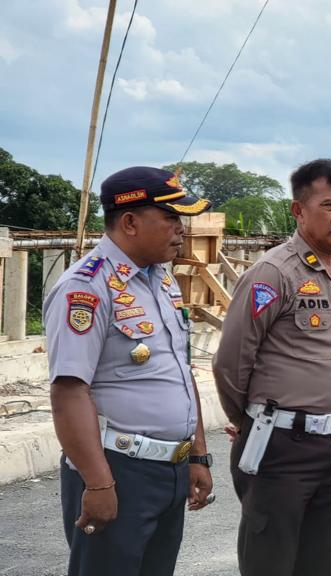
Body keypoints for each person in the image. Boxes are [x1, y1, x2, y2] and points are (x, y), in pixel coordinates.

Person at [44, 166, 214, 576]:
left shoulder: (162, 279)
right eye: (171, 218)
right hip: (120, 469)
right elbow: (69, 392)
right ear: (130, 221)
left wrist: (199, 454)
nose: (181, 230)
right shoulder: (85, 287)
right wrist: (98, 483)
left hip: (170, 469)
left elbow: (179, 370)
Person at [213, 159, 331, 576]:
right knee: (271, 561)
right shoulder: (273, 272)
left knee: (324, 562)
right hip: (280, 444)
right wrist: (248, 421)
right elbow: (230, 361)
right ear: (298, 210)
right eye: (330, 205)